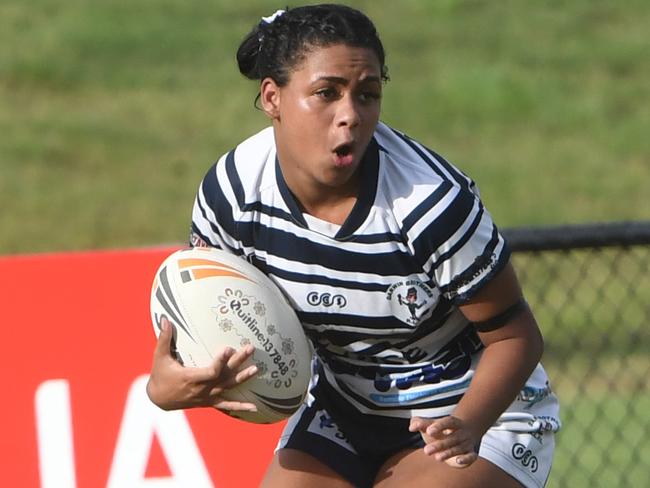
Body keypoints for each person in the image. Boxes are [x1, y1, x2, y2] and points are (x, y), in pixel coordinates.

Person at [146, 4, 560, 487]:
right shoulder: (233, 193)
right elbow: (201, 314)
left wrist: (467, 424)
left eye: (368, 95)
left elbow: (515, 337)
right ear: (272, 97)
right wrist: (165, 386)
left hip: (472, 412)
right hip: (346, 407)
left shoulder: (429, 204)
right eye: (326, 93)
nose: (350, 115)